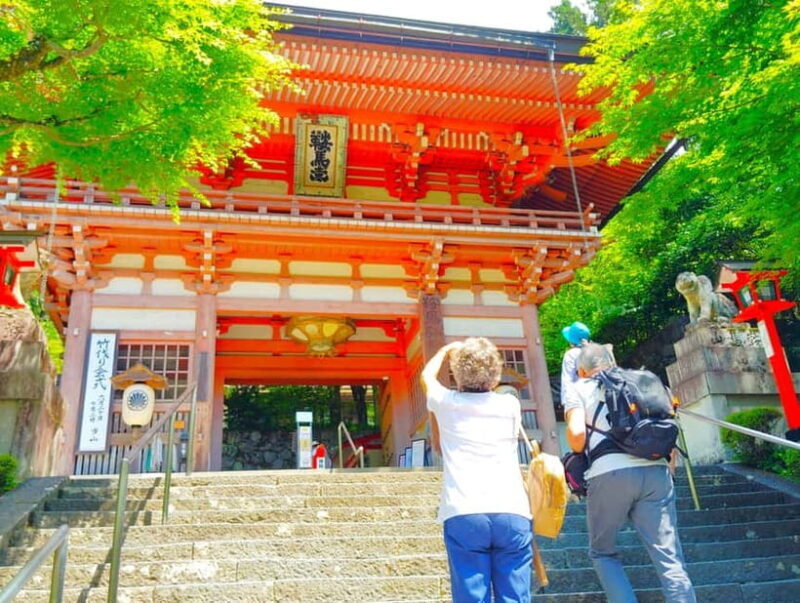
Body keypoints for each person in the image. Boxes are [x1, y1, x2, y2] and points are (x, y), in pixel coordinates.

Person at [563, 343, 696, 603]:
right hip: (656, 472)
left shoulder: (579, 388)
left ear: (581, 370)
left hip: (609, 473)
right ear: (613, 362)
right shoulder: (643, 382)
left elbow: (578, 438)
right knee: (669, 556)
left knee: (603, 552)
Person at [422, 337, 532, 602]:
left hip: (464, 510)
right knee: (515, 595)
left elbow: (426, 376)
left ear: (458, 377)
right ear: (495, 378)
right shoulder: (510, 404)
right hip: (512, 509)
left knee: (471, 595)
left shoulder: (446, 402)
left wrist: (445, 351)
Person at [560, 321, 591, 411]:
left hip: (578, 398)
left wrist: (566, 402)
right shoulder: (593, 352)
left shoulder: (571, 354)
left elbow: (568, 379)